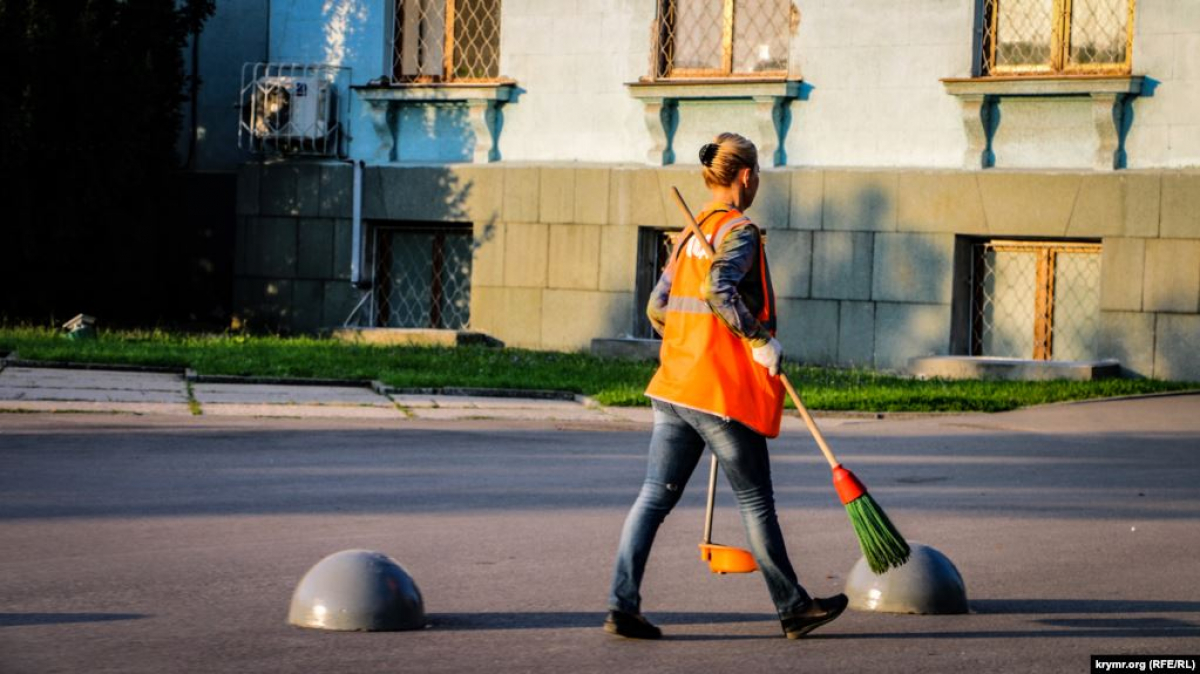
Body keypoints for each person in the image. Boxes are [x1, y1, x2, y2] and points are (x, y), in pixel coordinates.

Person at [604, 133, 848, 641]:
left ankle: (621, 606)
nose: (757, 182)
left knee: (653, 496)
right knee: (757, 501)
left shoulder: (690, 235)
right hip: (719, 393)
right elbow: (720, 290)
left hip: (674, 387)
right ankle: (793, 607)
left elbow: (657, 308)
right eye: (756, 174)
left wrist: (694, 339)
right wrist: (757, 339)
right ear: (744, 175)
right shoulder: (738, 232)